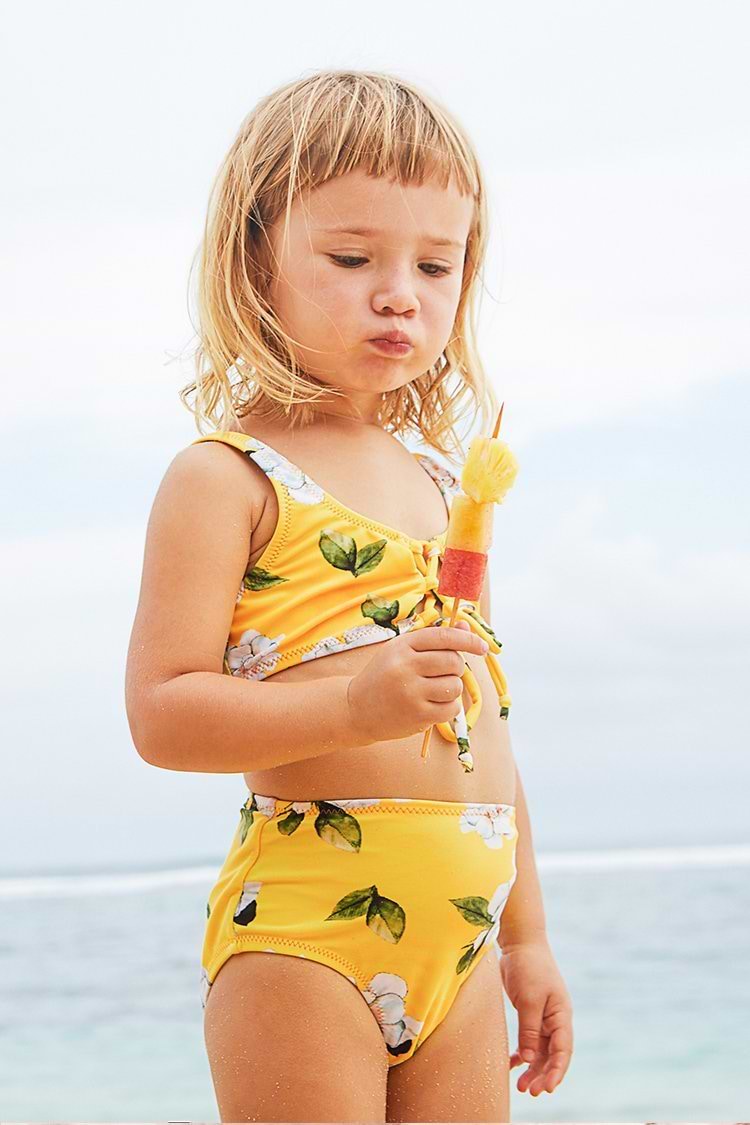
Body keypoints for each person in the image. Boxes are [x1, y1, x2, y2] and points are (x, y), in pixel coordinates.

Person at [125, 68, 573, 1124]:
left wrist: (528, 938)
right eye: (352, 258)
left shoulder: (447, 487)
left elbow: (484, 726)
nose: (400, 293)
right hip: (307, 932)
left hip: (461, 936)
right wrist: (355, 706)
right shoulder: (227, 477)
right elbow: (162, 714)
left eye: (436, 264)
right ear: (255, 263)